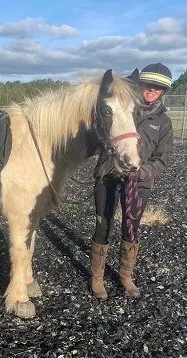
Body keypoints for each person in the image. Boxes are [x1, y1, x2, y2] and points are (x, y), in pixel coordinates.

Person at [89, 63, 174, 299]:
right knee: (103, 225)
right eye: (148, 85)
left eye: (157, 88)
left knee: (131, 229)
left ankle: (125, 275)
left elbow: (163, 158)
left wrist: (142, 172)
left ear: (163, 92)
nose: (151, 90)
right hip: (108, 175)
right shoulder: (124, 107)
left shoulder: (164, 123)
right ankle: (97, 277)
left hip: (138, 183)